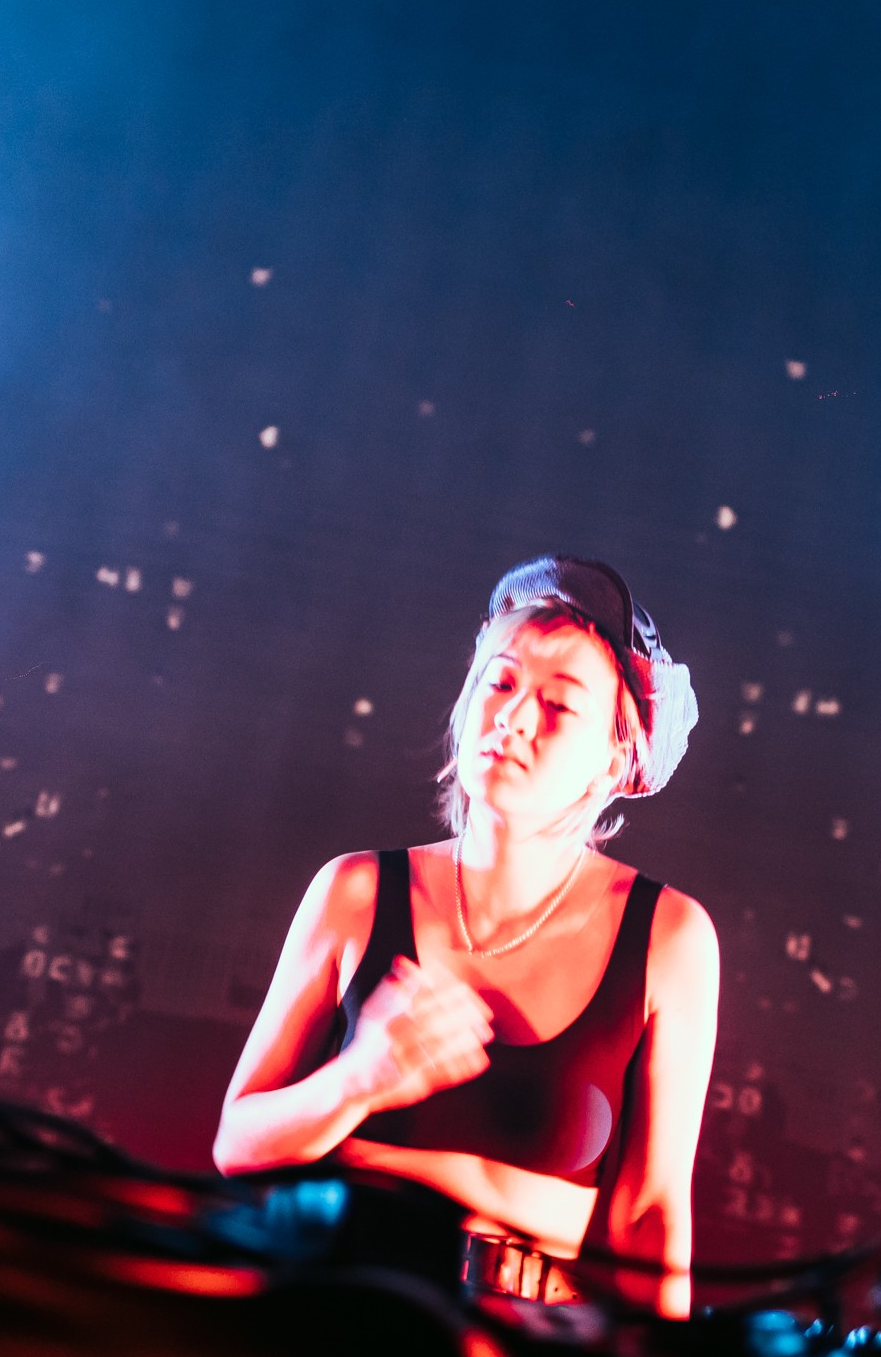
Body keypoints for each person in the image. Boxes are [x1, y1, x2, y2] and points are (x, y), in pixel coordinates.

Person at [214, 556, 720, 1314]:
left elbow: (650, 1215)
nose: (515, 719)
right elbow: (239, 1144)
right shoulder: (354, 892)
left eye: (560, 706)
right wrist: (357, 1081)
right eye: (503, 682)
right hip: (332, 1305)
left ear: (616, 755)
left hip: (527, 1345)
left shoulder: (670, 939)